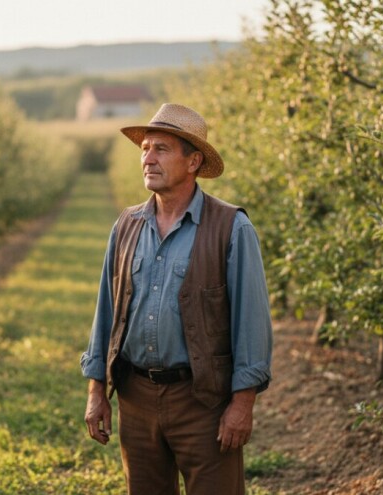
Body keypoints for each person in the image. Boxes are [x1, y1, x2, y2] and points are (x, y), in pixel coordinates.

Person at [81, 103, 273, 495]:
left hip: (202, 400)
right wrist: (96, 390)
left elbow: (251, 323)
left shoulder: (232, 228)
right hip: (135, 398)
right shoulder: (127, 225)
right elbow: (107, 311)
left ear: (193, 161)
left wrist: (242, 404)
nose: (148, 159)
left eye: (161, 149)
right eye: (145, 149)